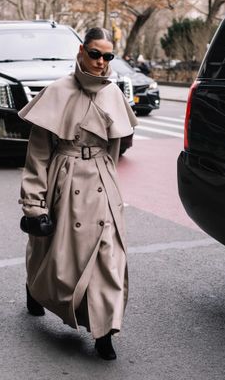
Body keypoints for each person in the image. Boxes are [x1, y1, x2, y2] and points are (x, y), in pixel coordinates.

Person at [18, 27, 138, 360]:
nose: (101, 62)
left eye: (108, 56)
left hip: (102, 183)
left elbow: (113, 149)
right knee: (54, 253)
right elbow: (38, 154)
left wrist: (110, 186)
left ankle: (104, 330)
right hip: (66, 179)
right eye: (95, 53)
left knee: (108, 257)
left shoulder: (113, 94)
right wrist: (33, 205)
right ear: (82, 51)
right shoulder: (57, 91)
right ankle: (34, 287)